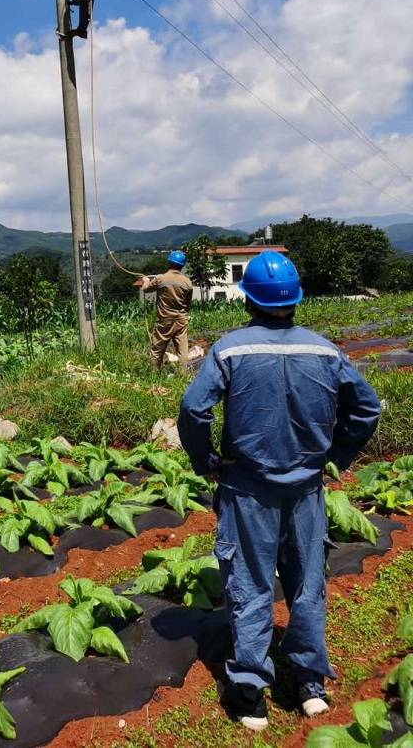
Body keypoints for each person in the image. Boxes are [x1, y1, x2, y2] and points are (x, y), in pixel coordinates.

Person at [178, 251, 381, 731]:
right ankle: (310, 685)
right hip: (307, 488)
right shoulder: (325, 351)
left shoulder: (230, 349)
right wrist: (335, 456)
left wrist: (207, 462)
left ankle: (250, 693)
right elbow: (366, 409)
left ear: (248, 299)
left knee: (250, 584)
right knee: (307, 582)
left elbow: (193, 410)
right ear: (295, 300)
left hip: (248, 489)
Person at [134, 250, 193, 369]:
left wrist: (145, 281)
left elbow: (145, 289)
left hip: (164, 319)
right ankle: (183, 376)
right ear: (182, 265)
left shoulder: (161, 279)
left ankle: (153, 375)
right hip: (181, 319)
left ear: (169, 263)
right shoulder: (187, 282)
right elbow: (187, 303)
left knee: (157, 349)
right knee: (182, 351)